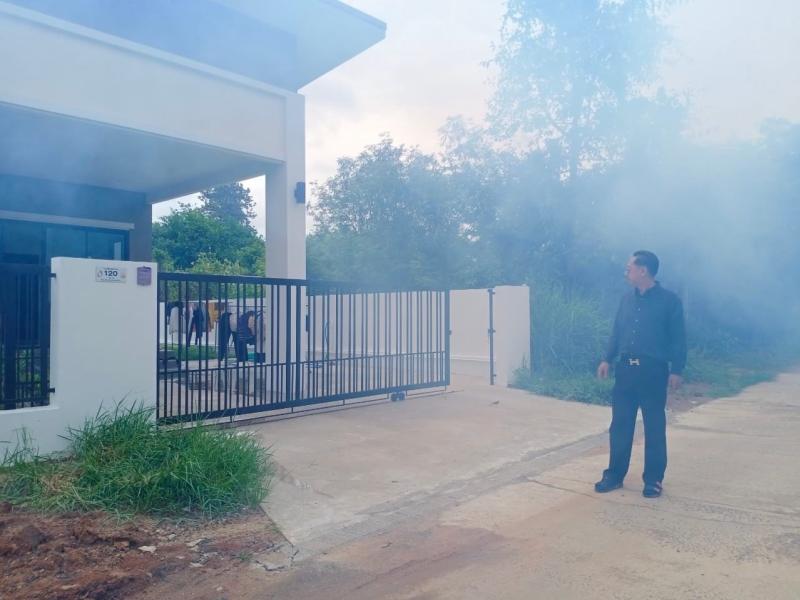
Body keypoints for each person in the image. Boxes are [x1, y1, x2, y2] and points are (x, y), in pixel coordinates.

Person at [595, 250, 687, 498]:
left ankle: (653, 479)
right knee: (620, 425)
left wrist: (677, 369)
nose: (627, 272)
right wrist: (607, 359)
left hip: (653, 371)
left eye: (630, 268)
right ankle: (614, 475)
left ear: (643, 270)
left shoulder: (669, 301)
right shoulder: (626, 299)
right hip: (626, 370)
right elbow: (617, 331)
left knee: (654, 426)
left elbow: (678, 338)